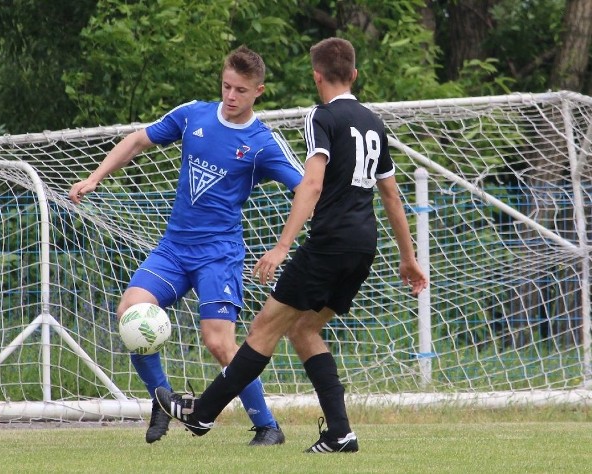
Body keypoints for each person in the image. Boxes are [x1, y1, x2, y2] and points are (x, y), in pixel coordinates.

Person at [155, 37, 429, 453]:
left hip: (329, 243)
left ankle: (201, 414)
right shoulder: (374, 122)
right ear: (354, 75)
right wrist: (408, 258)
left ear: (316, 76)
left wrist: (283, 246)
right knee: (304, 329)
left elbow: (312, 184)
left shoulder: (320, 116)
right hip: (363, 245)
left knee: (265, 328)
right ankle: (339, 433)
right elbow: (391, 195)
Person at [68, 45, 303, 446]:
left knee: (219, 343)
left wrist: (284, 245)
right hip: (174, 249)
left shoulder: (263, 142)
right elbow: (137, 140)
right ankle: (162, 399)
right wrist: (95, 177)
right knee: (131, 311)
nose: (231, 96)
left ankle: (267, 426)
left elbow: (307, 188)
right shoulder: (194, 113)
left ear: (258, 91)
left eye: (241, 91)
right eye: (226, 86)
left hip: (218, 254)